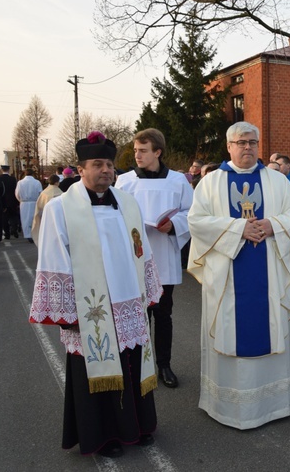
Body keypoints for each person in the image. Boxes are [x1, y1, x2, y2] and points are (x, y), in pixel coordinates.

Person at [29, 134, 163, 457]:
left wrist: (146, 291)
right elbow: (53, 259)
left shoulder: (127, 203)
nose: (106, 170)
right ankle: (105, 437)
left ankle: (138, 426)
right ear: (80, 168)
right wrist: (68, 313)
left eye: (109, 164)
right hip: (92, 309)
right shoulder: (61, 208)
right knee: (98, 367)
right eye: (97, 164)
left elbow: (141, 251)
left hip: (128, 300)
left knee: (132, 362)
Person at [187, 121, 290, 430]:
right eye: (240, 142)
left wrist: (272, 225)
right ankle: (226, 403)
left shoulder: (277, 181)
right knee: (229, 327)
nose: (247, 147)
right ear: (228, 146)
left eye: (252, 142)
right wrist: (239, 228)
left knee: (269, 323)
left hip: (269, 271)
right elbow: (197, 222)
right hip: (227, 275)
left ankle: (274, 402)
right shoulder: (210, 183)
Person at [115, 128, 194, 389]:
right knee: (139, 314)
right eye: (136, 150)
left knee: (163, 314)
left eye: (143, 151)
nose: (137, 155)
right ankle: (139, 365)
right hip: (135, 257)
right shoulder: (125, 181)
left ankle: (164, 365)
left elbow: (191, 213)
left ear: (157, 152)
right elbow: (115, 216)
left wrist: (174, 224)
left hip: (164, 253)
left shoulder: (178, 181)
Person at [31, 174, 62, 246]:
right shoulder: (61, 193)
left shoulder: (44, 193)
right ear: (57, 182)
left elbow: (39, 207)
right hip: (58, 218)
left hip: (46, 218)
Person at [16, 168, 43, 243]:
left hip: (24, 203)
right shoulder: (37, 182)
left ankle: (27, 234)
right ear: (33, 174)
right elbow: (40, 193)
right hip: (34, 202)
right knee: (34, 218)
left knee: (25, 219)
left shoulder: (20, 183)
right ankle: (34, 233)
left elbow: (17, 194)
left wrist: (21, 200)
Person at [0, 165, 20, 239]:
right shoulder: (13, 179)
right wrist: (17, 202)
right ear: (9, 170)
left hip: (3, 201)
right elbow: (16, 190)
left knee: (4, 218)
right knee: (13, 216)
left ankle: (7, 234)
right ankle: (14, 228)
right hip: (12, 200)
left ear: (2, 170)